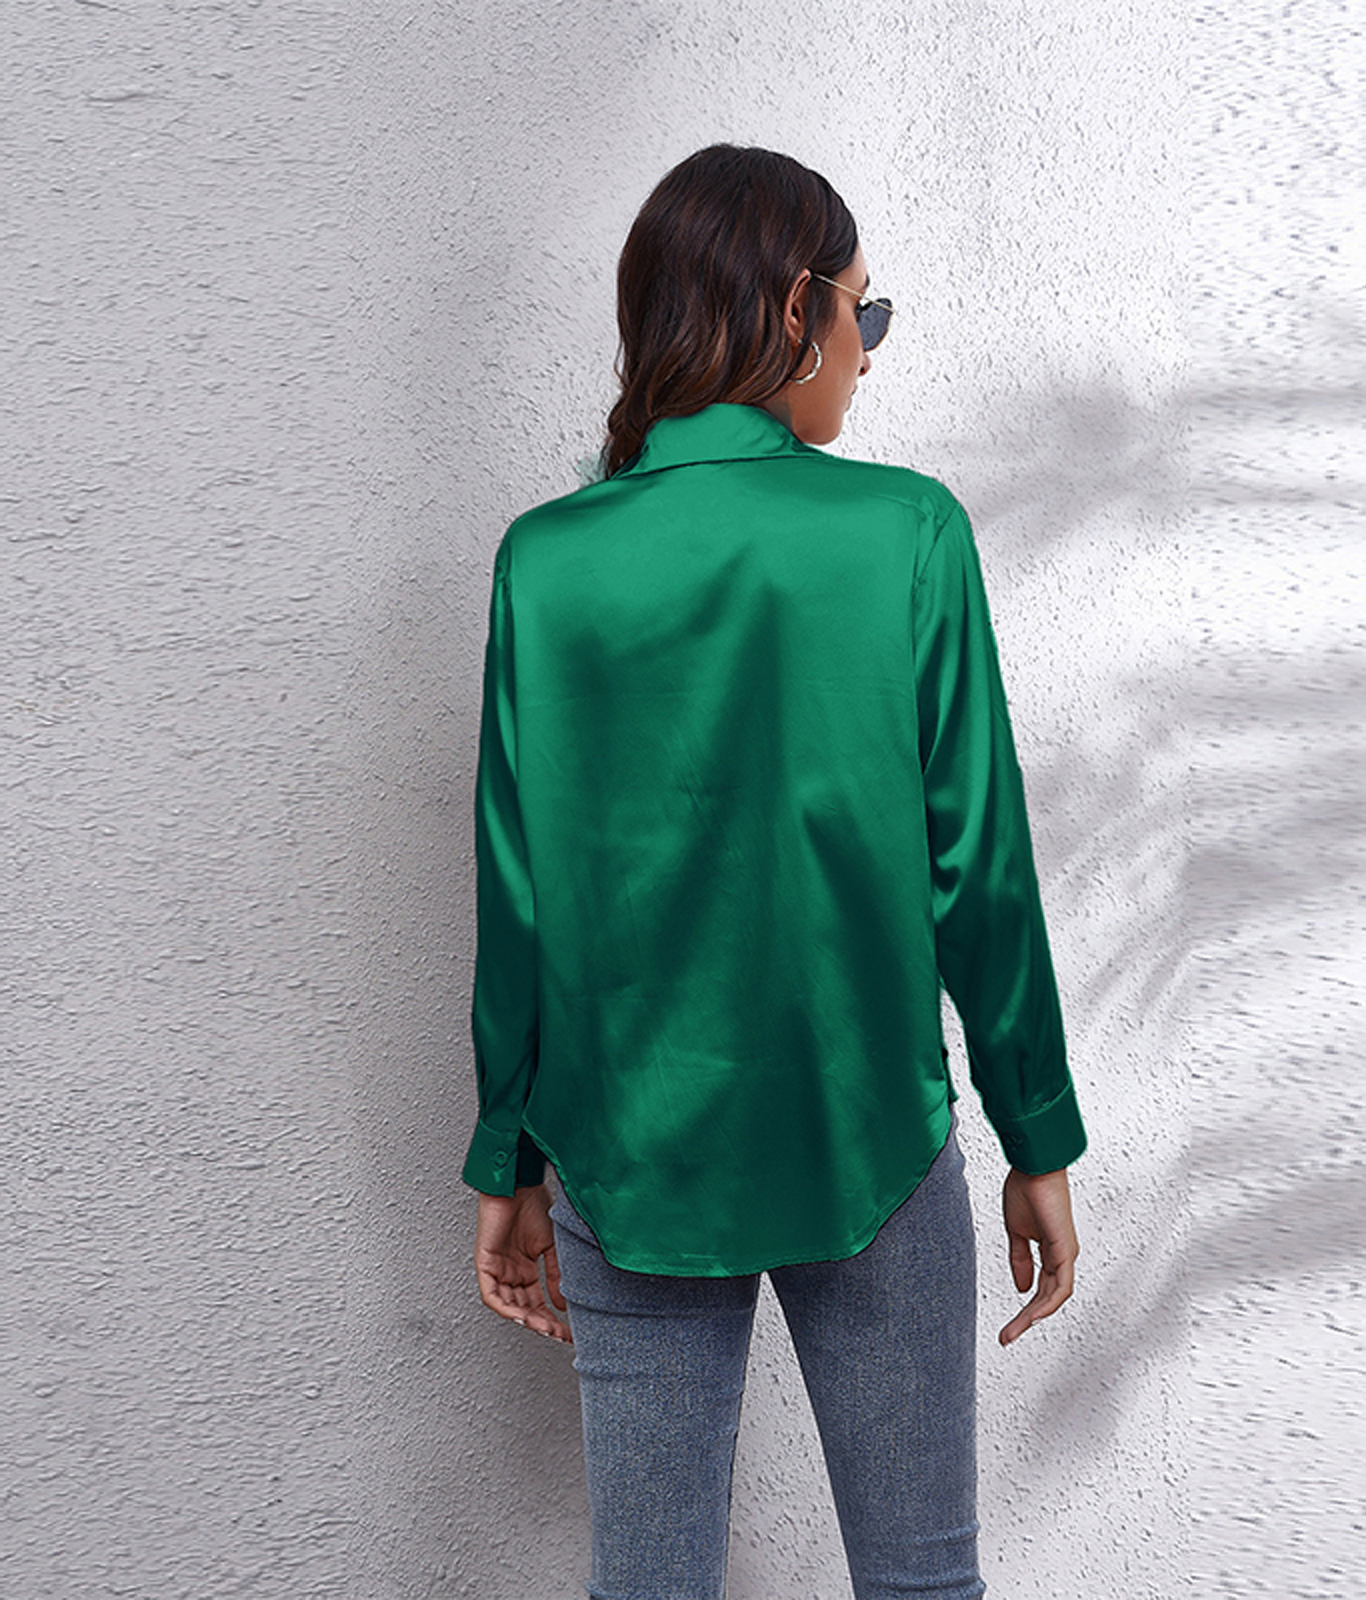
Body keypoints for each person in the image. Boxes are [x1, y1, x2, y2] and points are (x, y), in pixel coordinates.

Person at [463, 144, 1086, 1600]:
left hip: (628, 1152)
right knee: (923, 1583)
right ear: (797, 309)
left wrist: (510, 1158)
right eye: (866, 314)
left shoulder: (545, 561)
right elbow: (980, 873)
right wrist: (1038, 1136)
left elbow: (519, 896)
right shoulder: (907, 531)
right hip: (868, 1134)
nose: (869, 354)